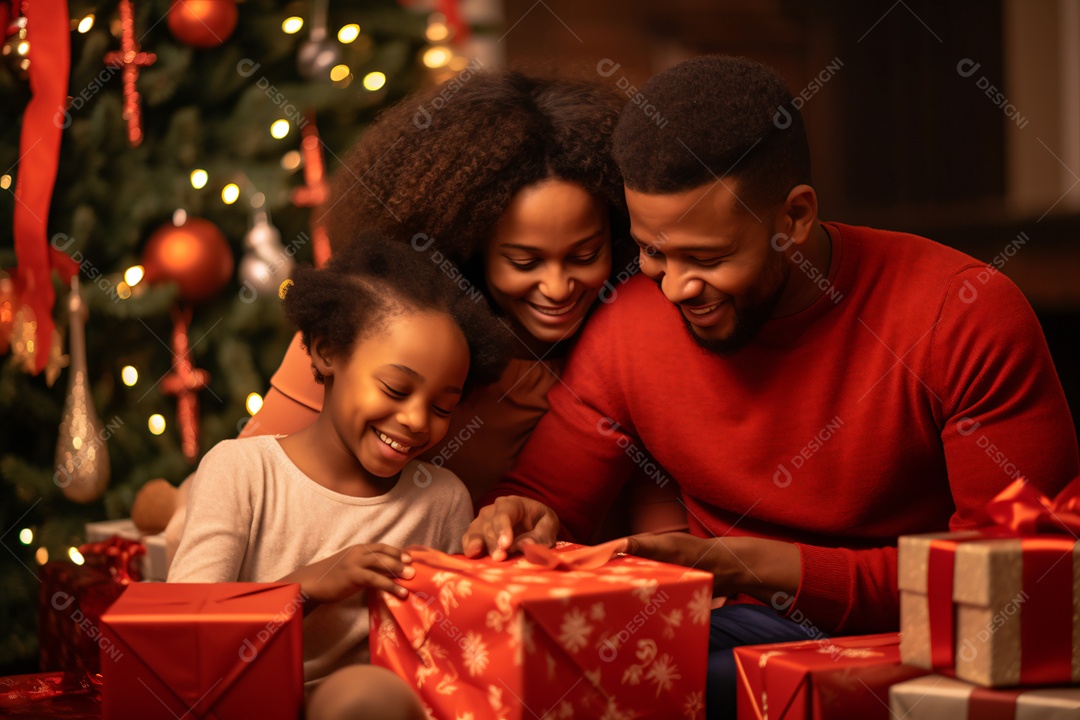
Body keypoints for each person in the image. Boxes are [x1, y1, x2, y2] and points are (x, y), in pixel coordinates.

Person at [461, 55, 1080, 718]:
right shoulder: (629, 328)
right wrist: (519, 517)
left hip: (931, 647)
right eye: (653, 252)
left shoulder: (962, 313)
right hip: (736, 634)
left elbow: (1020, 583)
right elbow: (547, 498)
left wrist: (762, 567)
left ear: (794, 217)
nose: (674, 287)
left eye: (707, 257)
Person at [162, 71, 686, 563]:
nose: (557, 288)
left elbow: (655, 494)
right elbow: (255, 484)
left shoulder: (623, 337)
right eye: (524, 261)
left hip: (509, 590)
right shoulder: (379, 332)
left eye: (584, 255)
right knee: (183, 515)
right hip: (350, 583)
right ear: (470, 247)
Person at [168, 236, 509, 720]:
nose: (416, 420)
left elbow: (455, 640)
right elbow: (185, 634)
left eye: (441, 407)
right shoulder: (242, 471)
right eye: (395, 388)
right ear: (328, 352)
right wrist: (302, 589)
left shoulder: (443, 501)